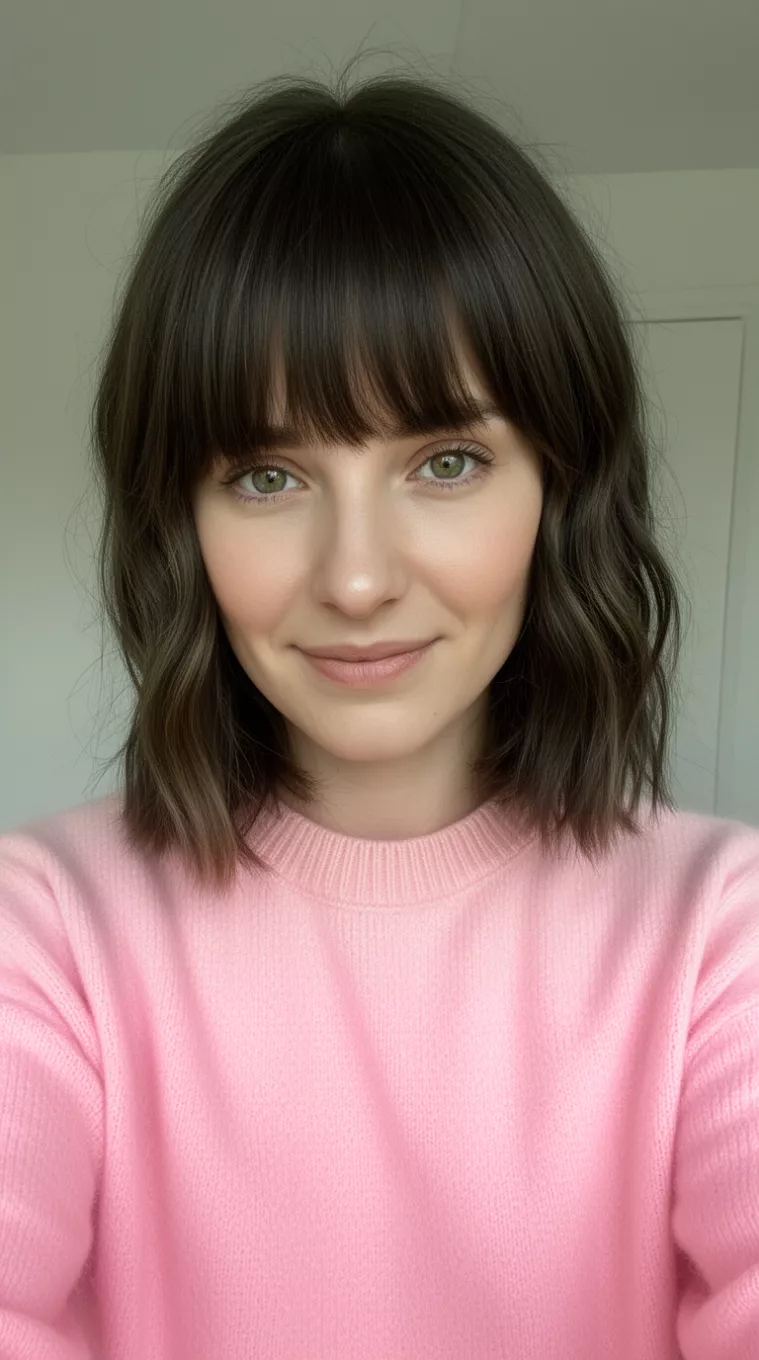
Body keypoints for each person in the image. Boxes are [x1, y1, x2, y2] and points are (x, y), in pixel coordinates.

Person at [1, 58, 758, 1360]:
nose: (355, 578)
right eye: (267, 476)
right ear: (176, 520)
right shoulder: (49, 929)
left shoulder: (716, 936)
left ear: (556, 492)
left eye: (445, 461)